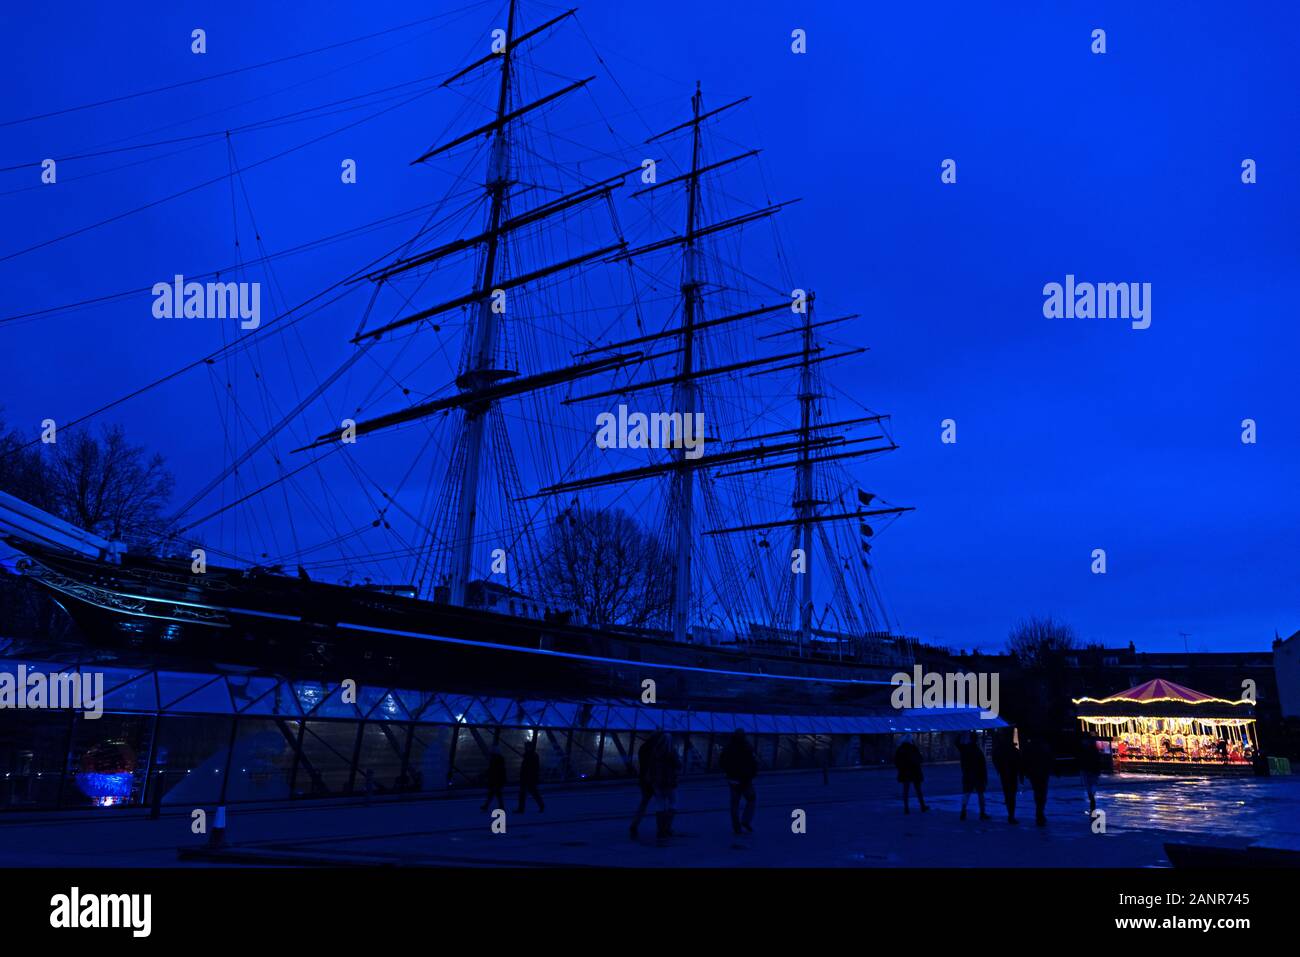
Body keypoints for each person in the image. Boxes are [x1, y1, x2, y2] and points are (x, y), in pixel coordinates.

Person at [718, 729, 758, 835]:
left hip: (733, 780)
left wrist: (728, 772)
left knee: (734, 804)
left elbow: (721, 762)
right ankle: (746, 820)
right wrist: (752, 774)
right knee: (751, 799)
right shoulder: (748, 747)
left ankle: (736, 827)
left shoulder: (728, 748)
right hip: (746, 780)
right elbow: (754, 763)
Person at [630, 731, 661, 838]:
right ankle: (662, 827)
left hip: (643, 779)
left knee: (643, 803)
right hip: (653, 779)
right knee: (662, 803)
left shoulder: (643, 747)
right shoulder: (655, 749)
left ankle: (635, 823)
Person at [651, 732, 682, 839]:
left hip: (657, 782)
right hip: (670, 782)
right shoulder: (671, 752)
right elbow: (678, 765)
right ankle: (667, 827)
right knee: (673, 803)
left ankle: (660, 829)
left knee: (659, 804)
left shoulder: (655, 751)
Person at [1021, 733, 1053, 826]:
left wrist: (1024, 772)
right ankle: (1040, 811)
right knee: (1042, 792)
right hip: (1043, 773)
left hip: (1033, 773)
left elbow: (1024, 759)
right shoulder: (1045, 747)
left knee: (1037, 792)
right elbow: (1049, 759)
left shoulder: (1029, 747)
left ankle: (1039, 811)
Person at [957, 731, 990, 821]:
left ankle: (963, 811)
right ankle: (982, 813)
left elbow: (957, 743)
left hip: (967, 775)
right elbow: (983, 766)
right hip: (978, 776)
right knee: (980, 794)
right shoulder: (978, 751)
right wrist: (985, 778)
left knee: (966, 794)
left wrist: (960, 734)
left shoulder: (965, 749)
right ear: (976, 739)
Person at [991, 728, 1021, 824]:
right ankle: (1011, 815)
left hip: (1005, 775)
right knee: (1012, 795)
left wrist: (999, 769)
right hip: (1012, 775)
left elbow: (995, 758)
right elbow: (1019, 764)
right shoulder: (1014, 751)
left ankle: (1010, 814)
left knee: (1008, 794)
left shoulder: (1000, 751)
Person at [893, 734, 929, 814]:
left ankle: (906, 808)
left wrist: (901, 768)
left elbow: (896, 761)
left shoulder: (900, 749)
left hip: (905, 772)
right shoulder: (913, 748)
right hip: (914, 771)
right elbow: (920, 759)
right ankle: (922, 806)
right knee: (918, 790)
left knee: (906, 791)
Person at [1077, 731, 1103, 815]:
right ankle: (1092, 799)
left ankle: (1092, 800)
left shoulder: (1086, 749)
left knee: (1089, 785)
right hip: (1090, 770)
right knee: (1090, 785)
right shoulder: (1092, 749)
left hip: (1089, 770)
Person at [517, 739, 545, 813]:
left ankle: (521, 809)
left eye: (526, 746)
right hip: (530, 777)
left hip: (528, 777)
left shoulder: (530, 755)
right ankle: (541, 805)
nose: (525, 747)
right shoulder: (533, 755)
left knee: (526, 793)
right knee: (532, 793)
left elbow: (528, 767)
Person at [481, 747, 507, 813]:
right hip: (497, 779)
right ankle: (499, 806)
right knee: (496, 793)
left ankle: (487, 806)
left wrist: (486, 775)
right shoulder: (500, 760)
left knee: (493, 793)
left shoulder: (495, 760)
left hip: (495, 779)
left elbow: (492, 769)